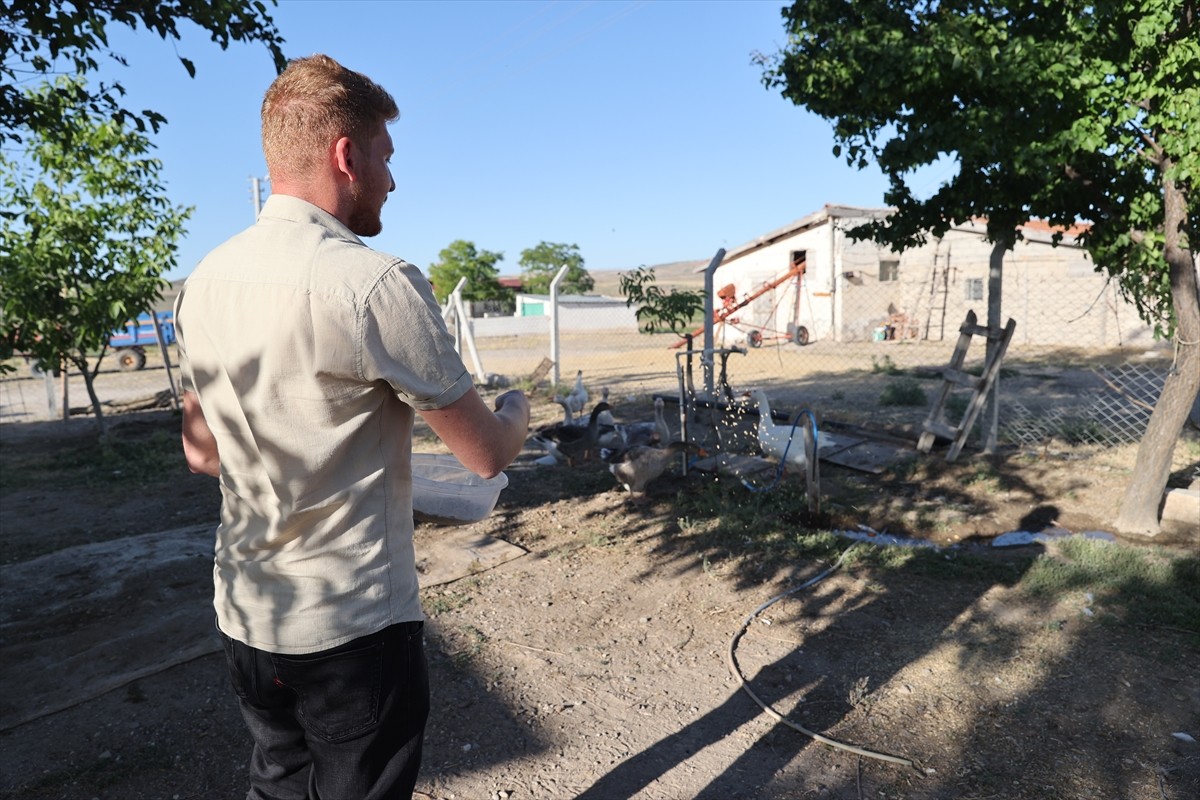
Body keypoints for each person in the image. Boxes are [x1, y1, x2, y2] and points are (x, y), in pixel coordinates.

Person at [175, 54, 530, 800]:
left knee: (277, 784)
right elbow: (484, 457)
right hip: (352, 629)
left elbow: (203, 454)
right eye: (386, 157)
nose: (392, 180)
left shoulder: (203, 281)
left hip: (247, 613)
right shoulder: (373, 283)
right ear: (346, 155)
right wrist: (517, 410)